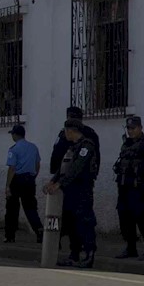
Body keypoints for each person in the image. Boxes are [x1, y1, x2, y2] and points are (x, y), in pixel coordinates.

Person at [49, 106, 102, 257]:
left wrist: (60, 183)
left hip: (81, 187)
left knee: (85, 221)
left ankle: (89, 253)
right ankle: (74, 253)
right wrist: (54, 180)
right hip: (70, 188)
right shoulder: (73, 146)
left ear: (71, 131)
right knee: (71, 221)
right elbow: (64, 167)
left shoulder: (86, 145)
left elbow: (77, 168)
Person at [112, 115, 144, 261]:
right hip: (124, 187)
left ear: (140, 128)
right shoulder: (126, 144)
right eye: (129, 128)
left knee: (143, 216)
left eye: (133, 128)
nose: (131, 131)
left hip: (138, 188)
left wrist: (143, 176)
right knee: (125, 216)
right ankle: (131, 247)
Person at [3, 123, 43, 244]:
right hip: (29, 180)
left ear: (15, 135)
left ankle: (10, 236)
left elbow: (12, 168)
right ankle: (40, 231)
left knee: (12, 209)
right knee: (31, 208)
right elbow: (37, 164)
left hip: (17, 180)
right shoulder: (33, 147)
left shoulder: (14, 149)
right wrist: (33, 176)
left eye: (12, 134)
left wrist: (7, 186)